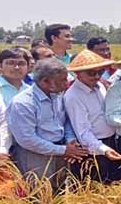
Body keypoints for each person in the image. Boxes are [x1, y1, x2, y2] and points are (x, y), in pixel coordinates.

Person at [7, 58, 88, 191]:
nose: (66, 83)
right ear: (45, 81)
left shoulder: (57, 95)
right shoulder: (23, 104)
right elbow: (27, 140)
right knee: (39, 194)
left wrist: (70, 140)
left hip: (60, 150)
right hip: (34, 156)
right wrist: (63, 150)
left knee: (60, 192)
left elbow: (65, 120)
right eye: (62, 80)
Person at [63, 50, 121, 183]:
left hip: (109, 143)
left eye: (100, 72)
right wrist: (103, 149)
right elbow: (83, 132)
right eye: (91, 73)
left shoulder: (100, 87)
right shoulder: (73, 96)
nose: (96, 76)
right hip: (92, 150)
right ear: (78, 73)